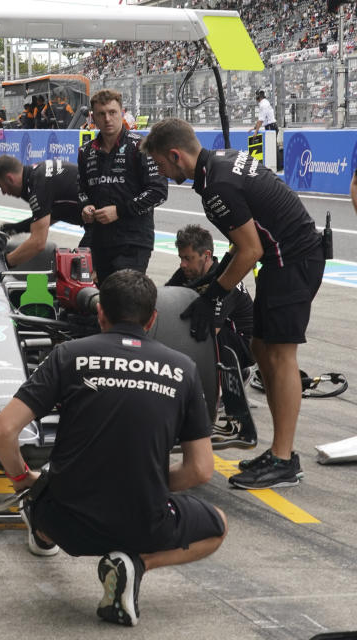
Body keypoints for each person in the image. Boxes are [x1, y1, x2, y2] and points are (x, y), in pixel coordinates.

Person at [0, 270, 226, 627]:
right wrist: (148, 487)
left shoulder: (68, 355)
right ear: (153, 320)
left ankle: (41, 533)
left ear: (101, 314)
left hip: (67, 523)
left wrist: (23, 479)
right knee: (217, 526)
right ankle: (138, 562)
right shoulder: (185, 369)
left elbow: (3, 429)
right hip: (145, 522)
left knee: (39, 493)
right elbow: (200, 470)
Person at [142, 117, 324, 490]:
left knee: (281, 356)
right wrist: (215, 279)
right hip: (284, 258)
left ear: (176, 155)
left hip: (292, 260)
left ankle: (284, 459)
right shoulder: (222, 161)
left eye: (160, 164)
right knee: (260, 346)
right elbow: (246, 239)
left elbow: (251, 249)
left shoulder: (217, 186)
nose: (160, 172)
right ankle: (279, 451)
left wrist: (215, 295)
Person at [78, 89, 167, 283]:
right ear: (93, 118)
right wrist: (85, 206)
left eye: (112, 112)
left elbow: (158, 192)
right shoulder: (86, 152)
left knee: (124, 298)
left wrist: (119, 211)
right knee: (100, 298)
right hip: (99, 240)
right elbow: (81, 190)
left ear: (122, 112)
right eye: (101, 114)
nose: (108, 119)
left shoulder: (141, 147)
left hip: (133, 241)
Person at [166, 225, 254, 372]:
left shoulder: (226, 281)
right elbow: (166, 299)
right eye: (181, 258)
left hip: (241, 344)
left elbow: (210, 333)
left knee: (198, 333)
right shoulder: (188, 271)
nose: (183, 264)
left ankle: (228, 375)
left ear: (206, 255)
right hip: (221, 333)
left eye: (188, 258)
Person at [0, 155, 90, 267]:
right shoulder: (36, 173)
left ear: (9, 179)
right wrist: (15, 228)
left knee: (80, 271)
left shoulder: (37, 186)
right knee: (78, 267)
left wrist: (4, 262)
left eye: (0, 186)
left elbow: (38, 243)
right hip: (98, 220)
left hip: (103, 223)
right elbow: (52, 216)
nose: (3, 192)